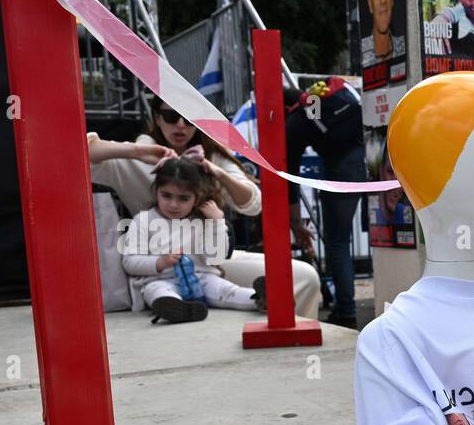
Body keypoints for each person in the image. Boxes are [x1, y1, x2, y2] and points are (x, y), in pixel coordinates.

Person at [88, 96, 322, 318]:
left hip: (207, 262)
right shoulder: (138, 156)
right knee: (160, 290)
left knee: (304, 277)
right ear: (157, 117)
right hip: (157, 268)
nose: (180, 125)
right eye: (171, 116)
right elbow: (80, 151)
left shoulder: (209, 155)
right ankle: (174, 307)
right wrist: (138, 152)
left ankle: (286, 343)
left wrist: (215, 171)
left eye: (189, 118)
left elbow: (253, 205)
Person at [120, 158, 265, 323]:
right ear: (156, 192)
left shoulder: (204, 219)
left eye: (183, 198)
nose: (173, 205)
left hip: (202, 278)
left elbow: (215, 258)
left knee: (228, 290)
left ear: (197, 198)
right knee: (157, 291)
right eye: (166, 195)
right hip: (160, 280)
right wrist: (160, 262)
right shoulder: (143, 220)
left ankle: (260, 299)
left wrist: (217, 223)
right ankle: (175, 308)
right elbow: (129, 262)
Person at [284, 79, 367, 329]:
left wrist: (296, 223)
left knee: (338, 242)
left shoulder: (296, 121)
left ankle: (345, 310)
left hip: (341, 172)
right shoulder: (319, 101)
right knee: (344, 240)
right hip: (366, 160)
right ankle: (346, 306)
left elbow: (290, 179)